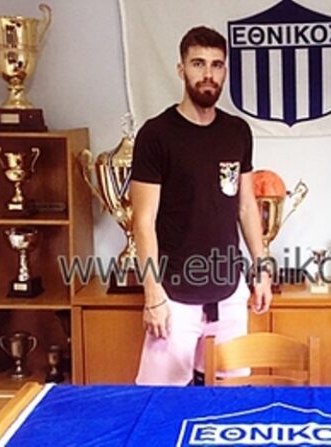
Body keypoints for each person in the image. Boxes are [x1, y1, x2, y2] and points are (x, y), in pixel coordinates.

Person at [130, 26, 272, 385]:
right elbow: (143, 221)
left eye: (216, 65)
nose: (208, 74)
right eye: (198, 63)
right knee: (162, 401)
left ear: (225, 71)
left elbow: (246, 206)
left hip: (229, 292)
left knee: (230, 398)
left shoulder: (237, 131)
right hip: (174, 296)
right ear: (181, 69)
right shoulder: (156, 135)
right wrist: (152, 293)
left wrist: (262, 268)